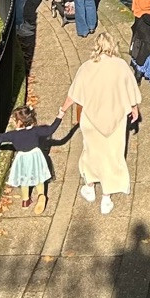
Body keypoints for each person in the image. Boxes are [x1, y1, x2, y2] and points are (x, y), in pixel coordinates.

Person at [60, 27, 141, 215]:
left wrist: (62, 110)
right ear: (113, 46)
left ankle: (89, 187)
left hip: (91, 120)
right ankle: (106, 197)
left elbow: (73, 94)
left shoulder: (87, 67)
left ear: (96, 46)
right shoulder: (121, 66)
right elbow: (131, 93)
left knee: (91, 152)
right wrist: (134, 109)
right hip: (116, 118)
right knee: (112, 155)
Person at [0, 105, 61, 214]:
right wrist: (59, 116)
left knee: (24, 179)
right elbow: (51, 129)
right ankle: (41, 195)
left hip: (22, 158)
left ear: (19, 122)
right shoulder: (35, 131)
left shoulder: (13, 135)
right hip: (35, 156)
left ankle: (25, 201)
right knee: (39, 176)